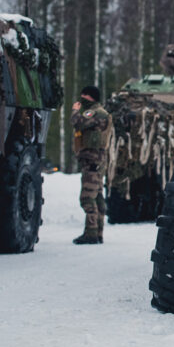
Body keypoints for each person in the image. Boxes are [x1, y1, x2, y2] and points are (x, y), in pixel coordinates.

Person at [70, 85, 111, 244]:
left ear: (89, 97)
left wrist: (75, 110)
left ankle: (91, 233)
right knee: (98, 196)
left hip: (92, 161)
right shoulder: (101, 112)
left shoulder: (94, 112)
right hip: (98, 160)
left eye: (83, 97)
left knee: (87, 197)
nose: (81, 99)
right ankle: (98, 232)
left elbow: (77, 122)